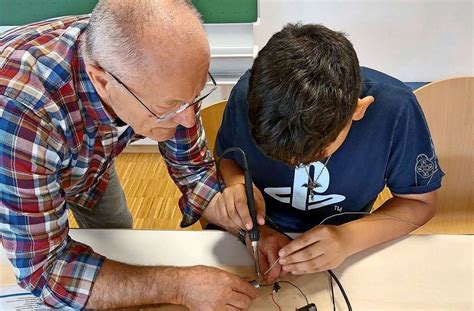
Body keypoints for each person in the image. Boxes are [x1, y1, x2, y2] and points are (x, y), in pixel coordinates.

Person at [0, 0, 258, 309]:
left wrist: (231, 211)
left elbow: (192, 167)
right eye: (170, 107)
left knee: (117, 230)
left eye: (194, 97)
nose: (189, 120)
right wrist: (178, 285)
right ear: (102, 82)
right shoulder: (21, 112)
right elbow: (47, 272)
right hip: (14, 162)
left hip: (88, 159)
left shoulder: (149, 64)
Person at [207, 23, 443, 283]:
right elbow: (227, 157)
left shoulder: (396, 110)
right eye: (277, 154)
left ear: (357, 110)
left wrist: (348, 239)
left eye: (317, 153)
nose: (296, 164)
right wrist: (239, 185)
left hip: (347, 244)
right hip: (256, 235)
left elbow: (420, 202)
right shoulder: (248, 96)